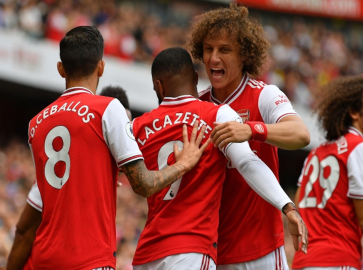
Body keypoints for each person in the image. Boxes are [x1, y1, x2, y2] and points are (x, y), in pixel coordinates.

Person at [7, 26, 208, 270]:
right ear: (101, 66)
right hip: (89, 260)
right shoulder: (107, 108)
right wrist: (184, 164)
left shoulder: (35, 124)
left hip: (44, 260)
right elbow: (144, 184)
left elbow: (53, 191)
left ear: (61, 68)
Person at [131, 47, 306, 270]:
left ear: (158, 85)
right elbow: (247, 162)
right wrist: (288, 206)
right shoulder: (216, 114)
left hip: (146, 254)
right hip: (191, 250)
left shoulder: (137, 127)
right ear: (196, 78)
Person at [188, 4, 310, 269]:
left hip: (262, 252)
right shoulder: (197, 106)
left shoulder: (264, 95)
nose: (213, 58)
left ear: (243, 55)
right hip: (212, 253)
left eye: (224, 49)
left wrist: (252, 129)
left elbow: (301, 134)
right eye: (208, 49)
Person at [7, 85, 137, 270]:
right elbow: (24, 232)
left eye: (127, 129)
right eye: (118, 129)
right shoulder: (61, 171)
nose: (123, 138)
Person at [292, 74, 363, 270]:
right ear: (354, 112)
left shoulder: (316, 152)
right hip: (337, 259)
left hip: (303, 263)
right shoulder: (360, 147)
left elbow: (297, 209)